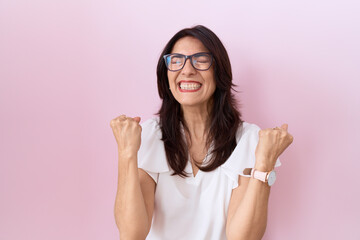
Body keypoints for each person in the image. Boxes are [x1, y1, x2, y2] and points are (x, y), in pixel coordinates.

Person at [110, 25, 294, 240]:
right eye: (176, 60)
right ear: (166, 74)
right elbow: (132, 233)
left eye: (201, 60)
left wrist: (264, 163)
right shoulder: (148, 135)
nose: (187, 70)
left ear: (219, 71)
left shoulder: (248, 139)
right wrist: (126, 153)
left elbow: (243, 237)